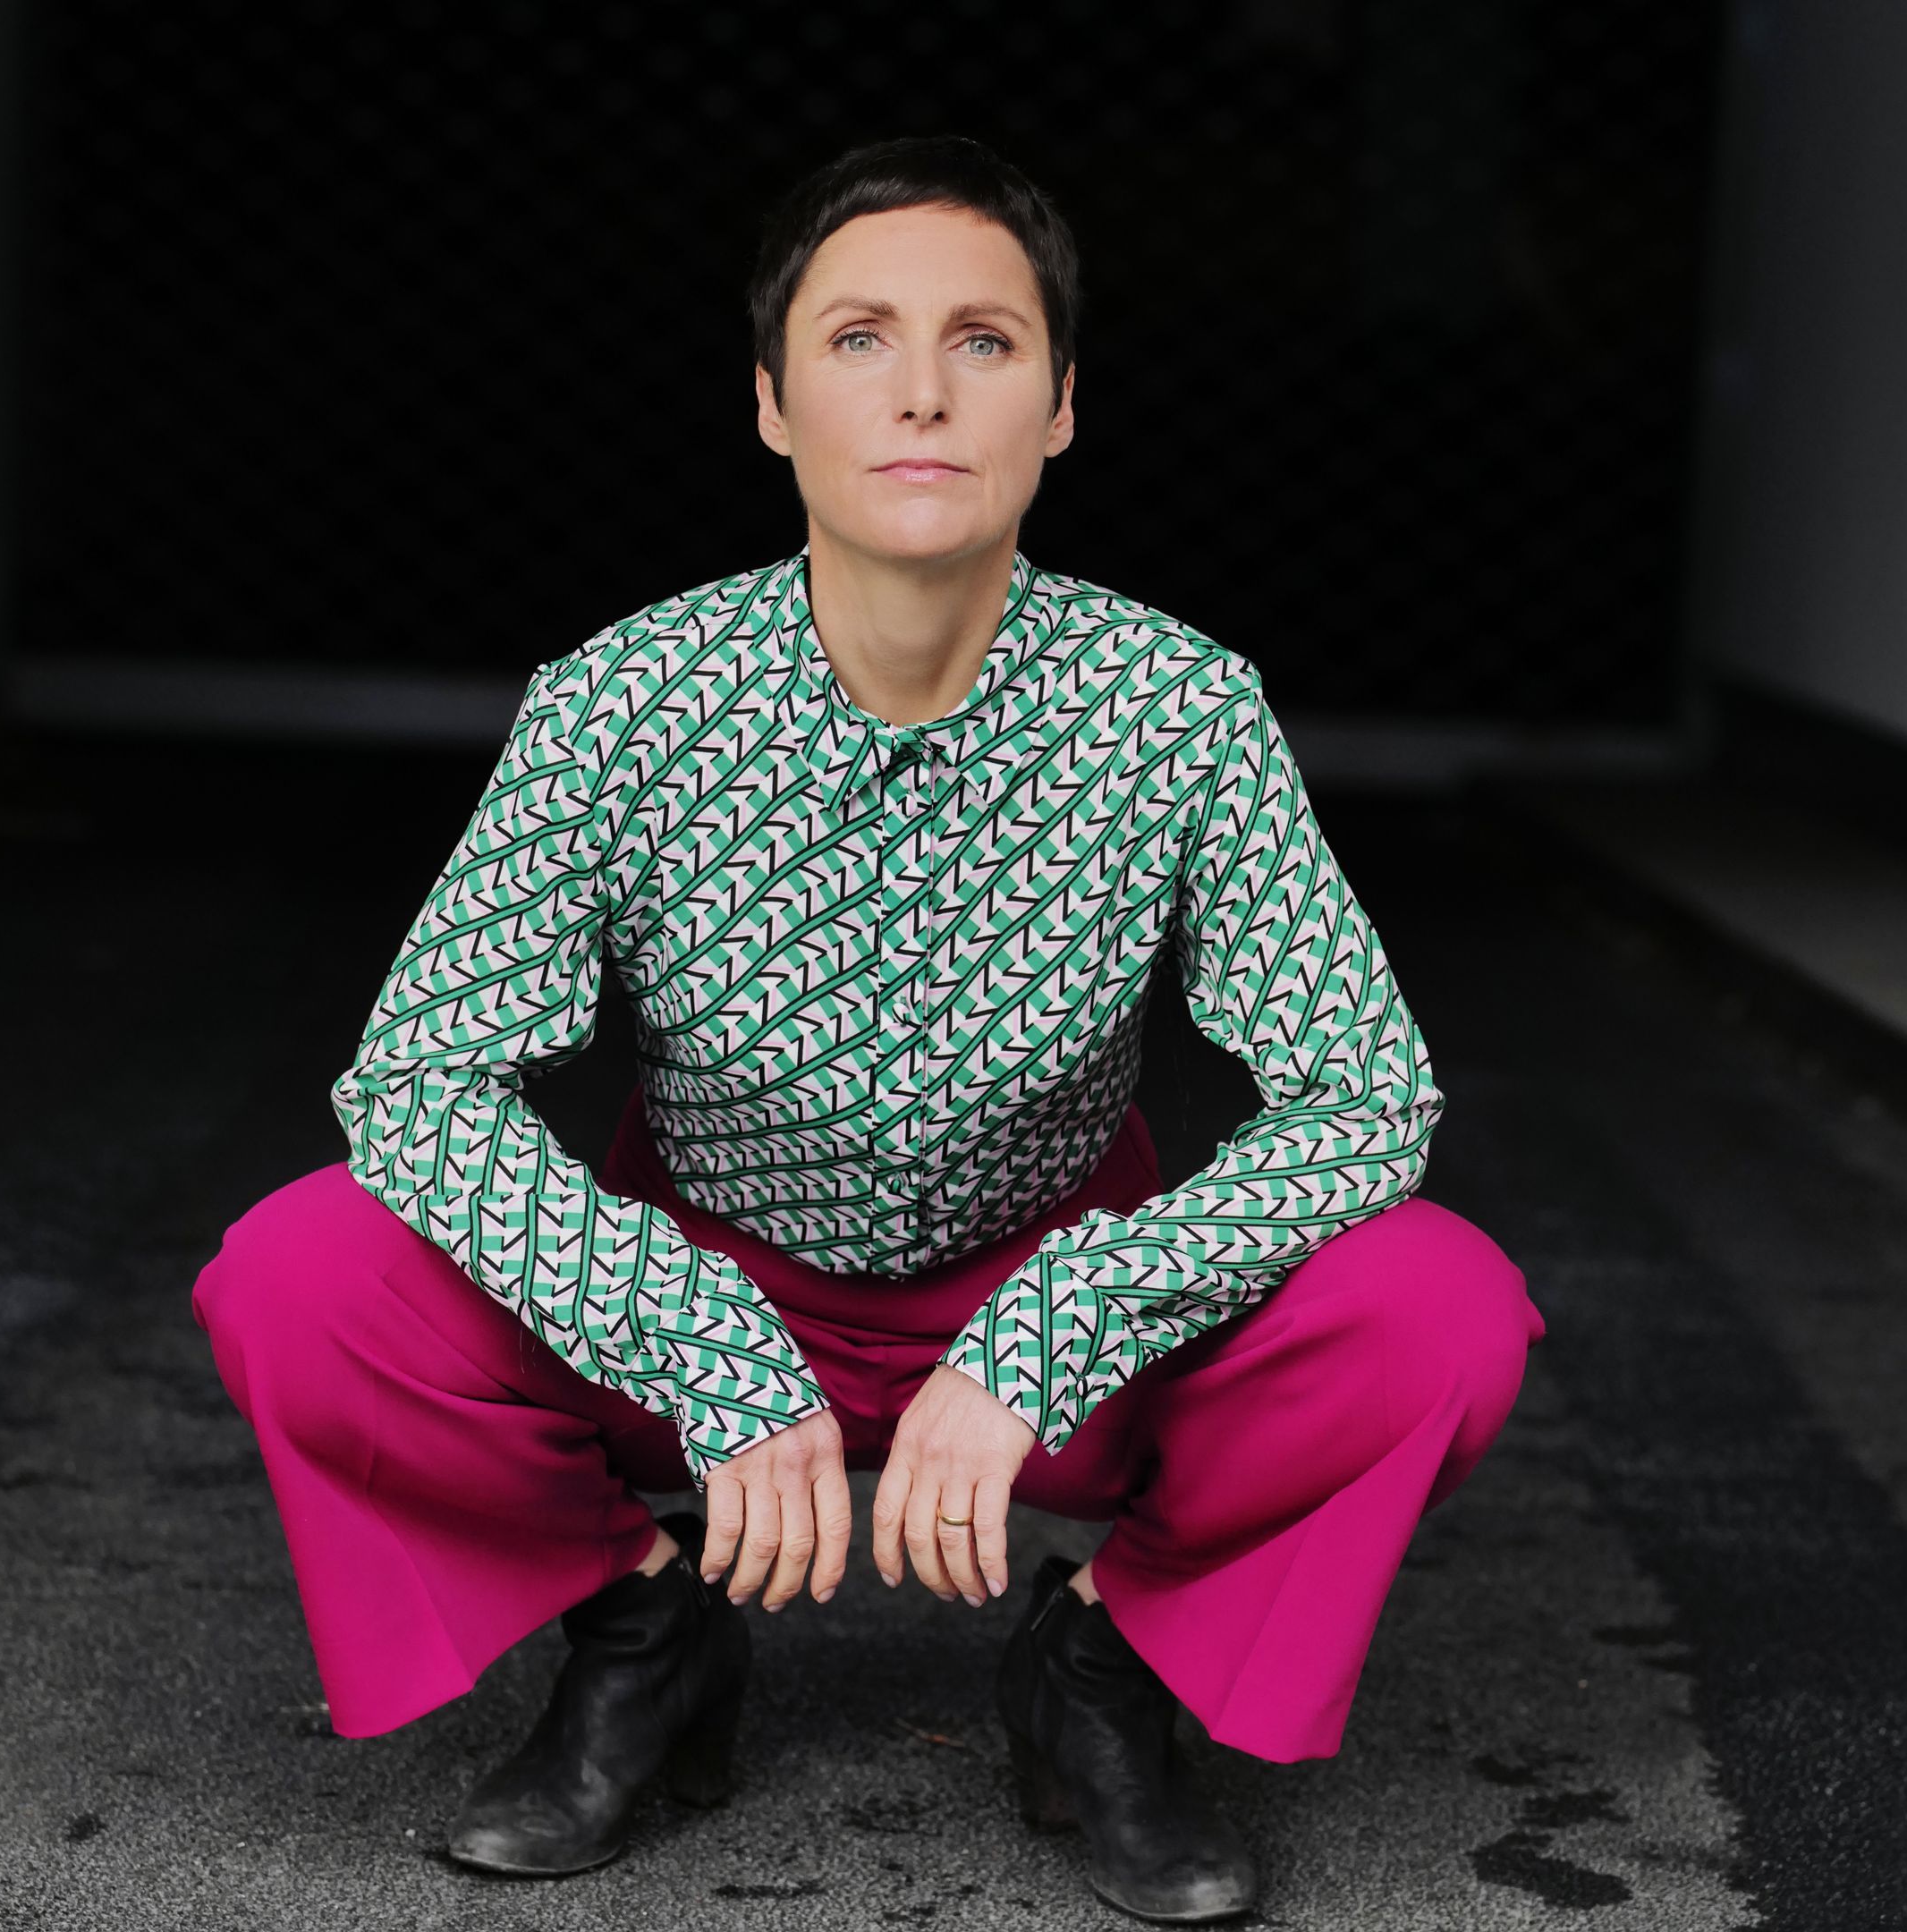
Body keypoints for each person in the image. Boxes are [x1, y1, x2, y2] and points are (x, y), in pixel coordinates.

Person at [191, 132, 1545, 1926]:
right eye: (857, 340)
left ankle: (1101, 1670)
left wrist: (1054, 1331)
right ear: (770, 403)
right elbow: (418, 1083)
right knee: (295, 1278)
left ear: (1061, 405)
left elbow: (1361, 1097)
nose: (921, 391)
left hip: (1057, 1311)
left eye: (983, 341)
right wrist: (692, 1337)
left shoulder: (1178, 706)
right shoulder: (621, 701)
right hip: (697, 1288)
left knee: (1439, 1310)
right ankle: (643, 1630)